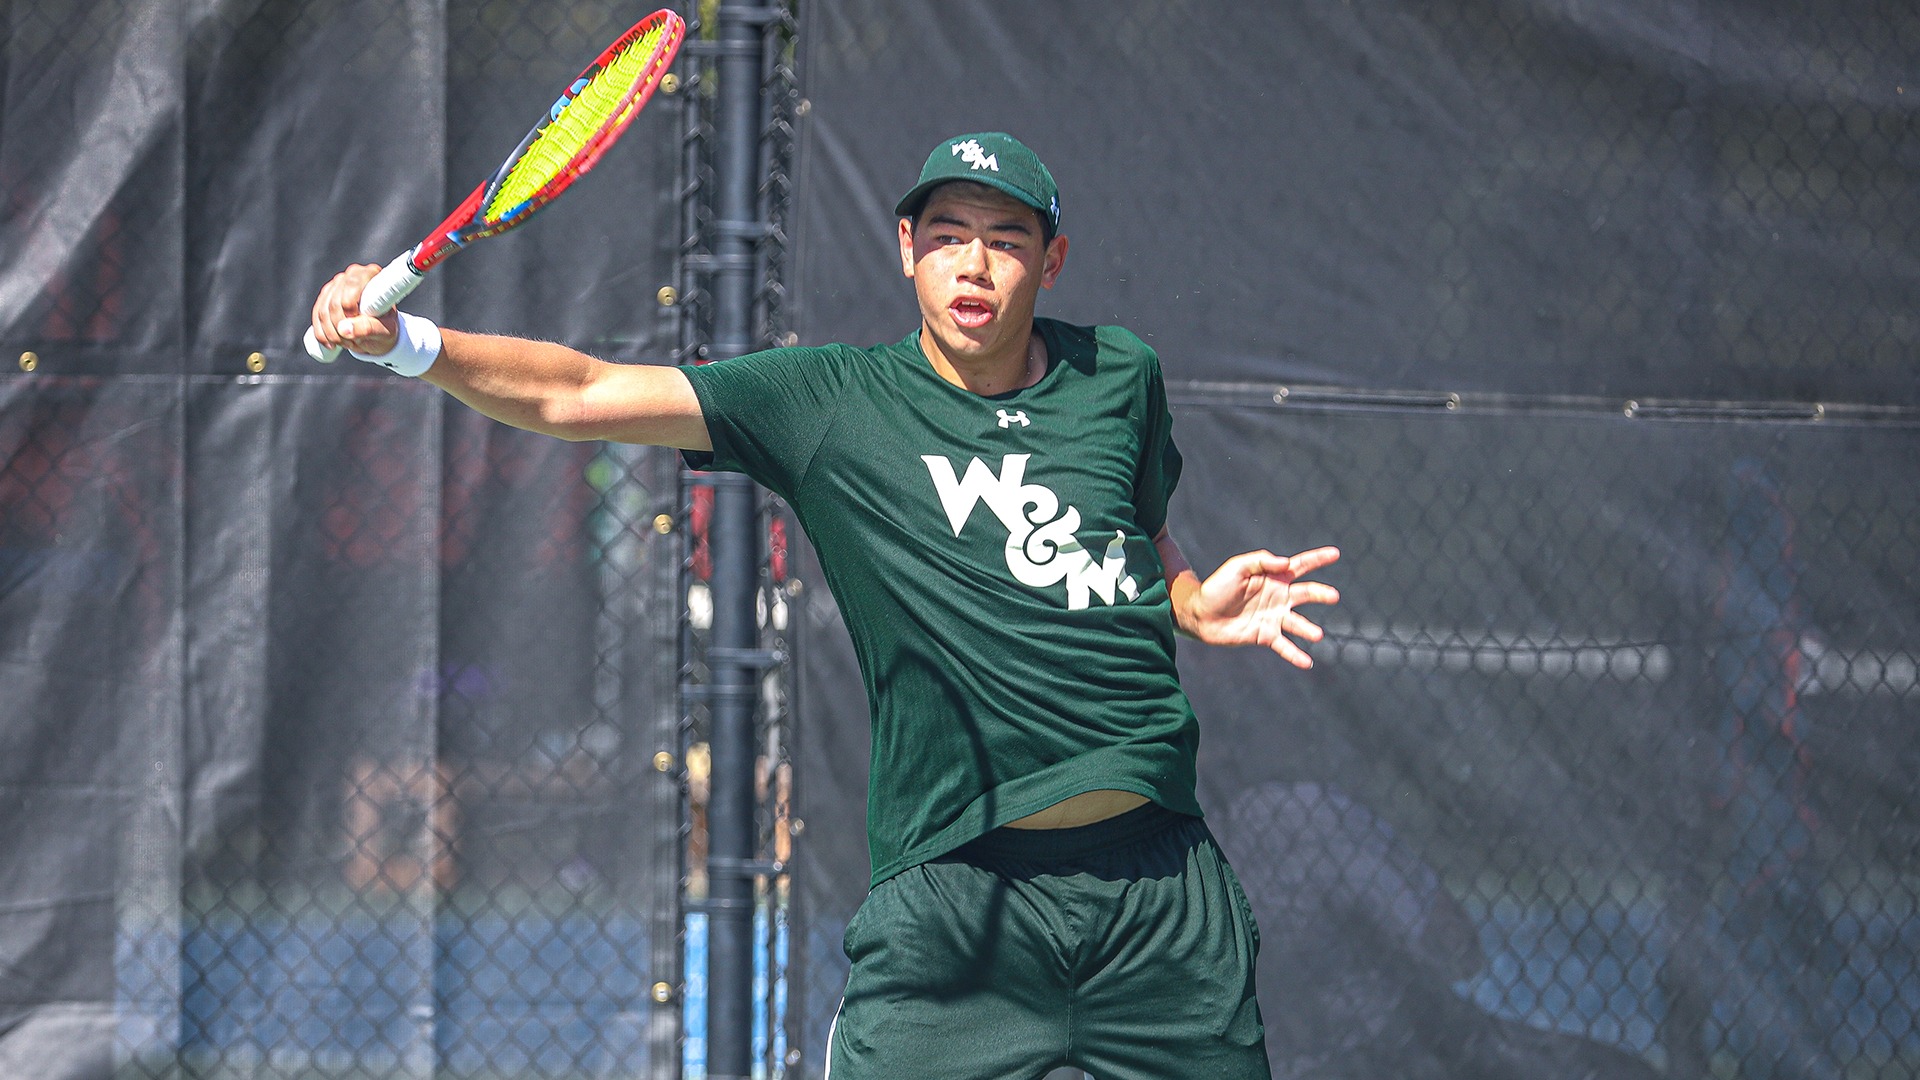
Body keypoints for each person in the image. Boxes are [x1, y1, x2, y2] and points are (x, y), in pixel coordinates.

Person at [310, 131, 1341, 1080]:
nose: (972, 265)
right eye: (946, 237)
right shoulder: (829, 404)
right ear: (905, 249)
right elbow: (575, 393)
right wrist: (411, 343)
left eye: (1004, 240)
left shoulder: (1119, 375)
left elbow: (1138, 530)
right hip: (955, 904)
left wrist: (1193, 599)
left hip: (1161, 903)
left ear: (1052, 260)